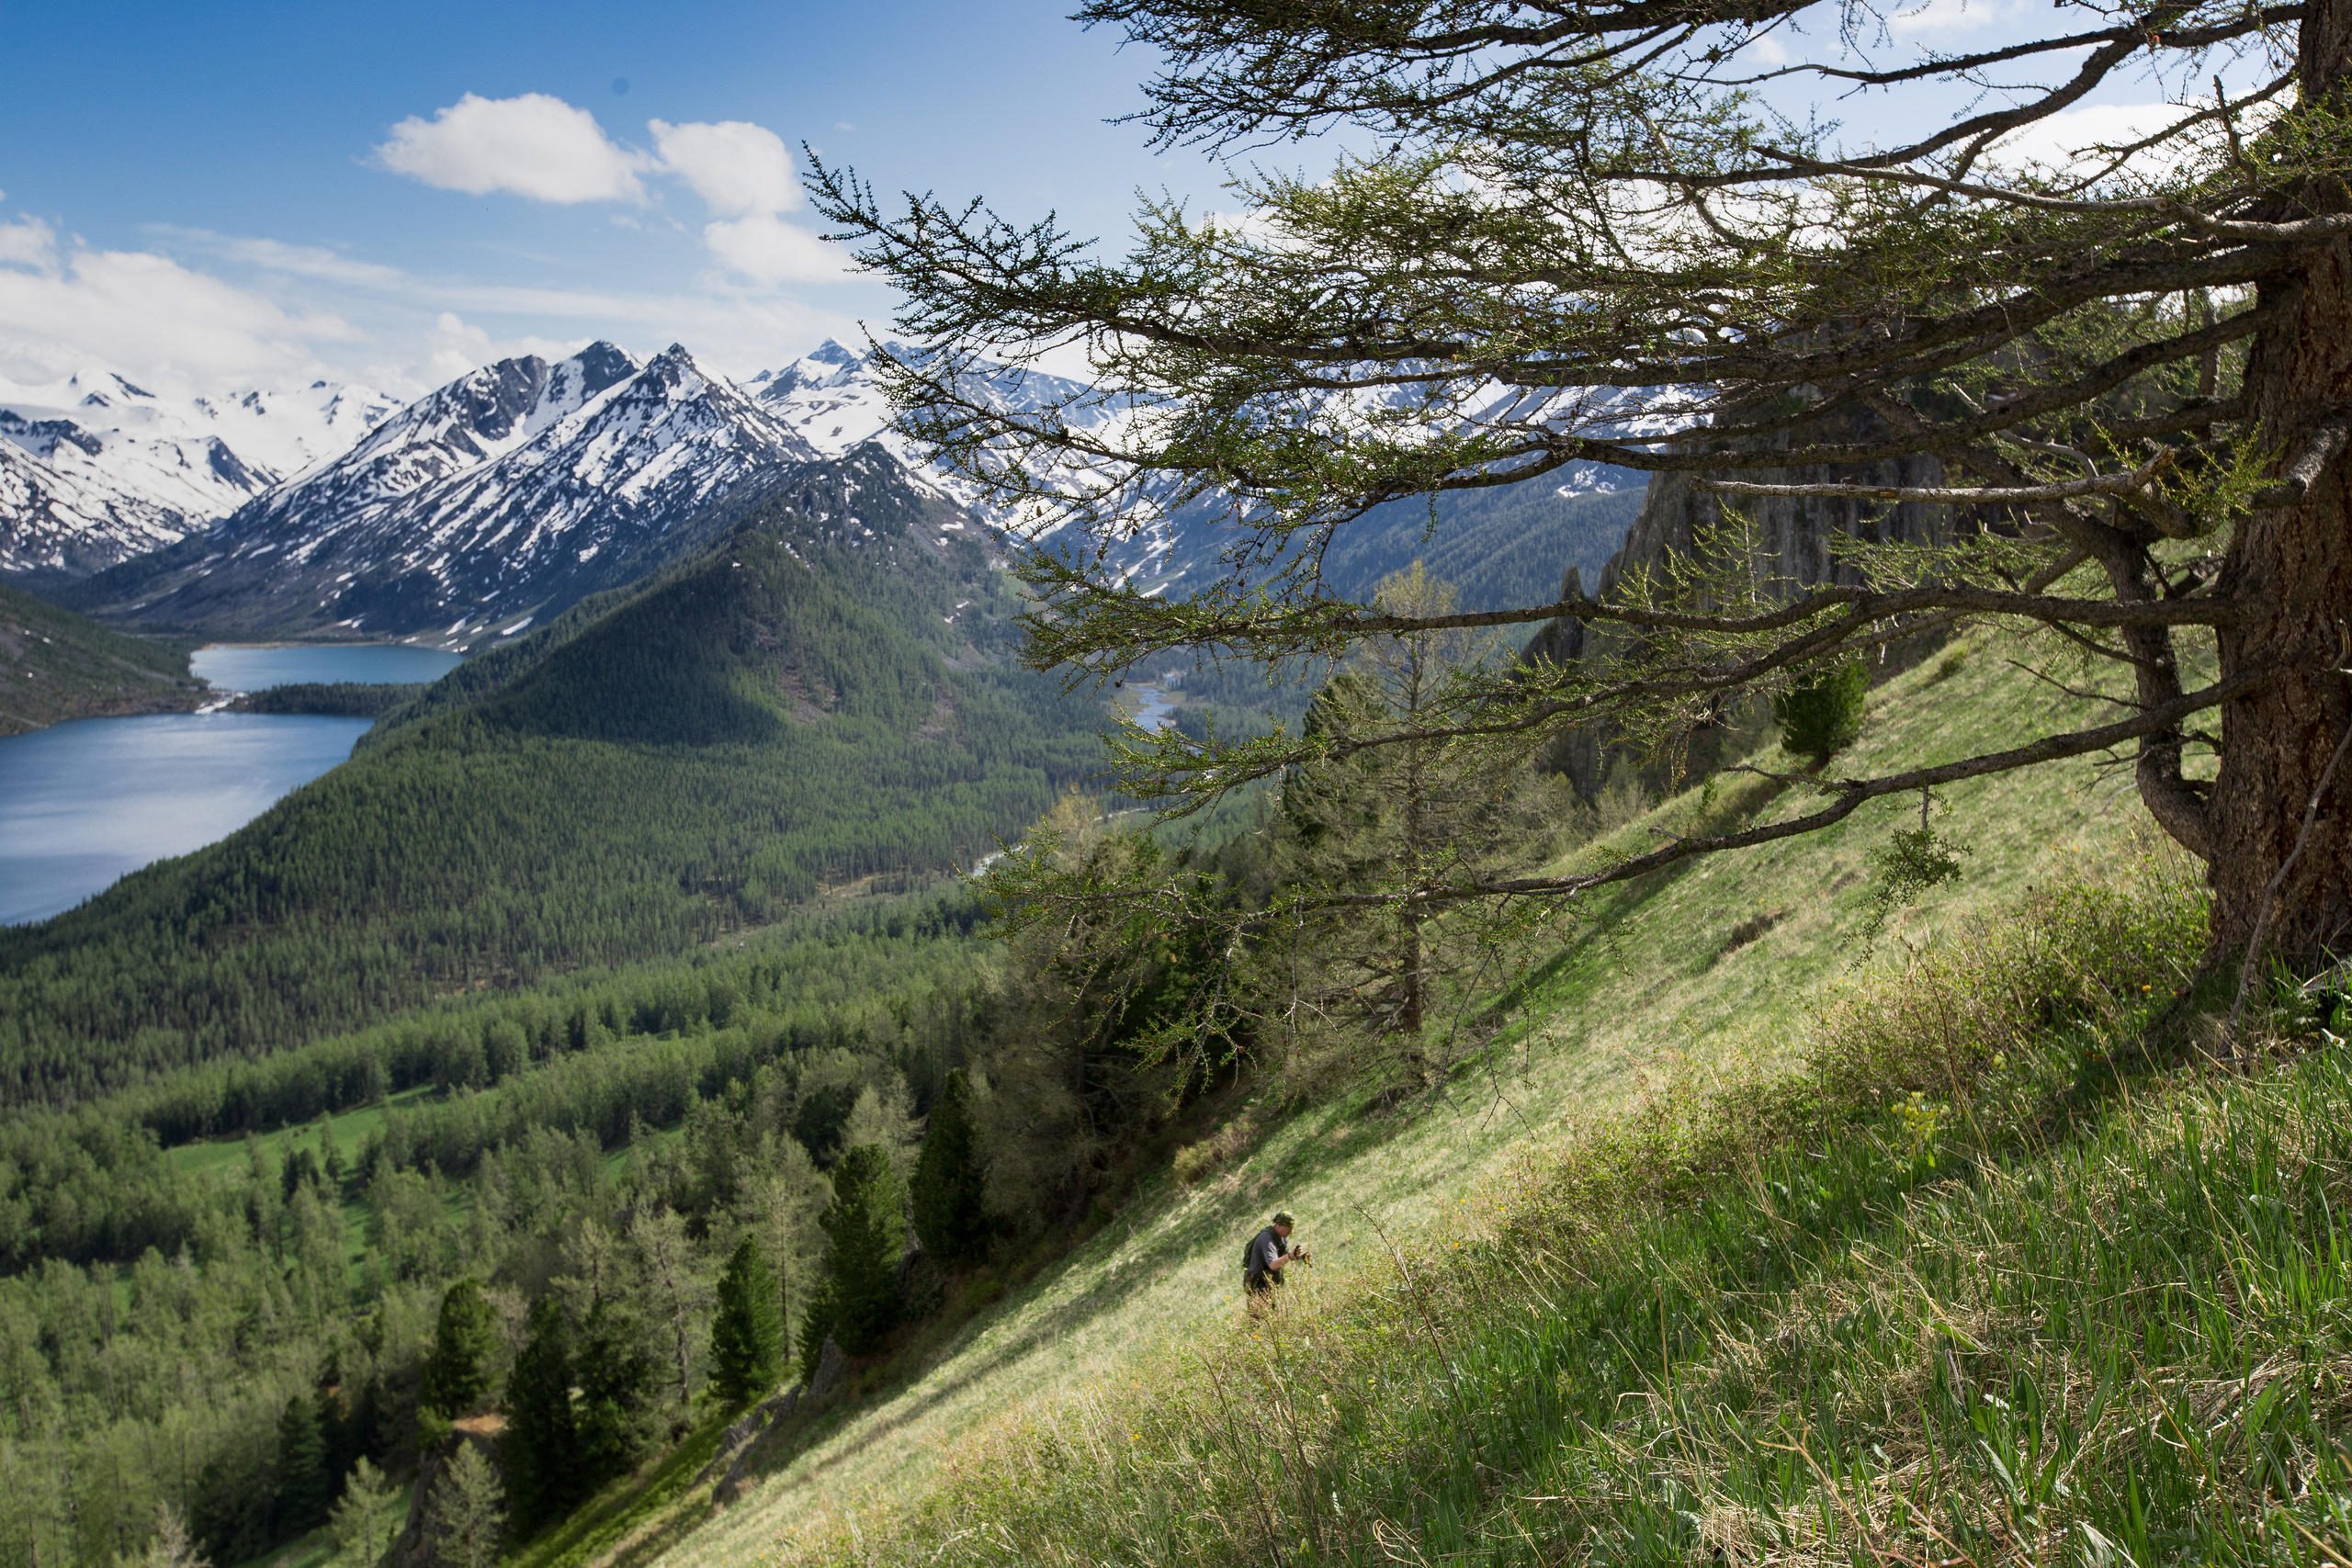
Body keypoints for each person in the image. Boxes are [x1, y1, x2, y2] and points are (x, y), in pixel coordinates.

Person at [1242, 1213, 1307, 1301]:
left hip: (1268, 1284)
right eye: (1289, 1228)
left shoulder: (1280, 1238)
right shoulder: (1267, 1239)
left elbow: (1283, 1258)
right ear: (1279, 1226)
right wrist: (1289, 1255)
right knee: (1262, 1314)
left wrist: (1300, 1256)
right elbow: (1273, 1265)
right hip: (1258, 1286)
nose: (1291, 1232)